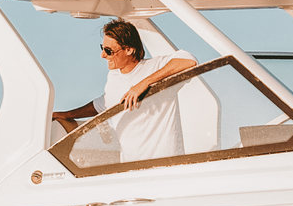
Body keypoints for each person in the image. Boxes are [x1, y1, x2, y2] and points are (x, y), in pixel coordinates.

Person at [51, 19, 197, 163]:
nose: (102, 55)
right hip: (130, 169)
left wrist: (144, 84)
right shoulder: (114, 77)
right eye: (102, 48)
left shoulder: (154, 67)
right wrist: (66, 115)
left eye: (108, 51)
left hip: (166, 165)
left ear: (129, 50)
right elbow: (103, 104)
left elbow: (188, 60)